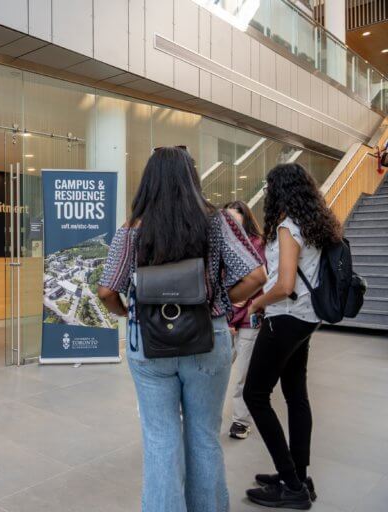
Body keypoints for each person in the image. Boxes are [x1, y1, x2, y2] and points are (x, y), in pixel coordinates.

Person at [98, 147, 267, 512]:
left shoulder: (131, 229)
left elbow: (107, 291)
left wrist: (130, 314)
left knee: (160, 440)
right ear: (193, 178)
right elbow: (256, 275)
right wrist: (222, 299)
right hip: (209, 337)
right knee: (204, 437)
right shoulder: (217, 221)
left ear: (149, 181)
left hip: (150, 344)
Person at [243, 163, 342, 509]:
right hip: (305, 319)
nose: (268, 194)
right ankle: (298, 476)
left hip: (284, 318)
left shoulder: (287, 227)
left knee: (254, 394)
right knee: (295, 394)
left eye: (270, 188)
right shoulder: (312, 224)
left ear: (281, 190)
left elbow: (284, 285)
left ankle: (291, 484)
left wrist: (257, 303)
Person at [224, 200, 266, 440]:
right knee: (214, 370)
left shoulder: (257, 245)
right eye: (227, 219)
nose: (230, 224)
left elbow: (256, 284)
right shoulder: (222, 245)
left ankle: (240, 421)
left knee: (243, 376)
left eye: (235, 218)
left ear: (245, 218)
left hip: (249, 319)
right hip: (226, 319)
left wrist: (235, 313)